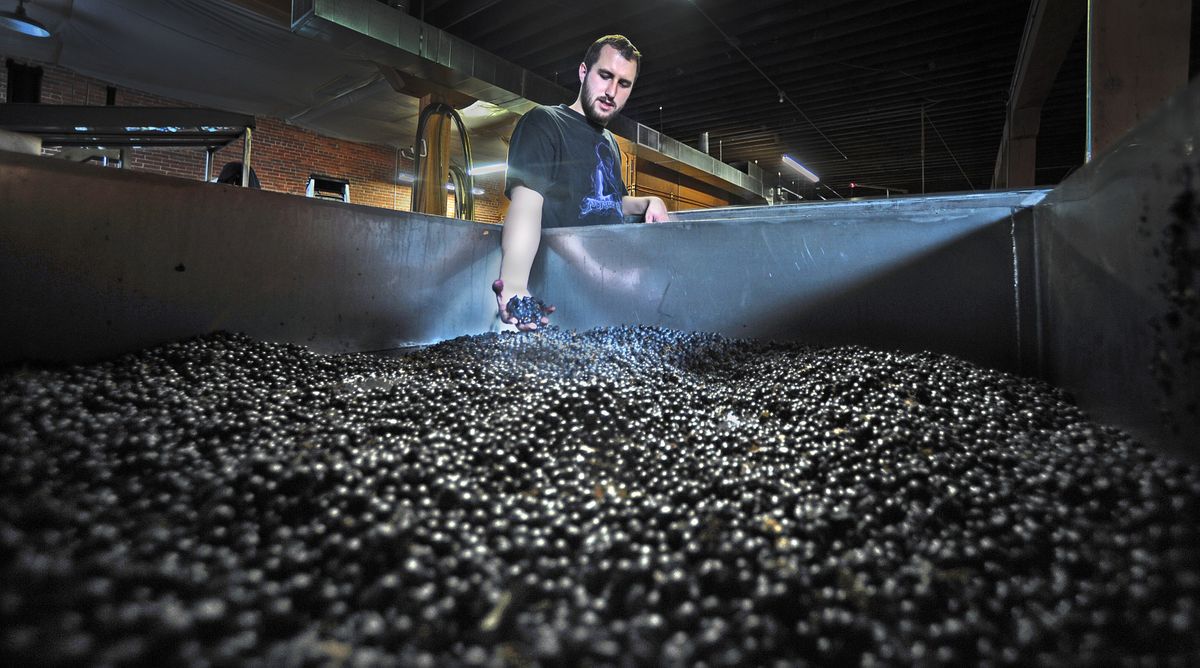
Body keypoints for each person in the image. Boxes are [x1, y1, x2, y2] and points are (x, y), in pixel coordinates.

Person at [493, 34, 669, 331]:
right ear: (584, 72)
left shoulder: (610, 142)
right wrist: (514, 283)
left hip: (607, 300)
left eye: (623, 84)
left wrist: (650, 201)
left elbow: (607, 201)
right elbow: (526, 205)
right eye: (605, 75)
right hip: (558, 305)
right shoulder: (544, 123)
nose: (612, 91)